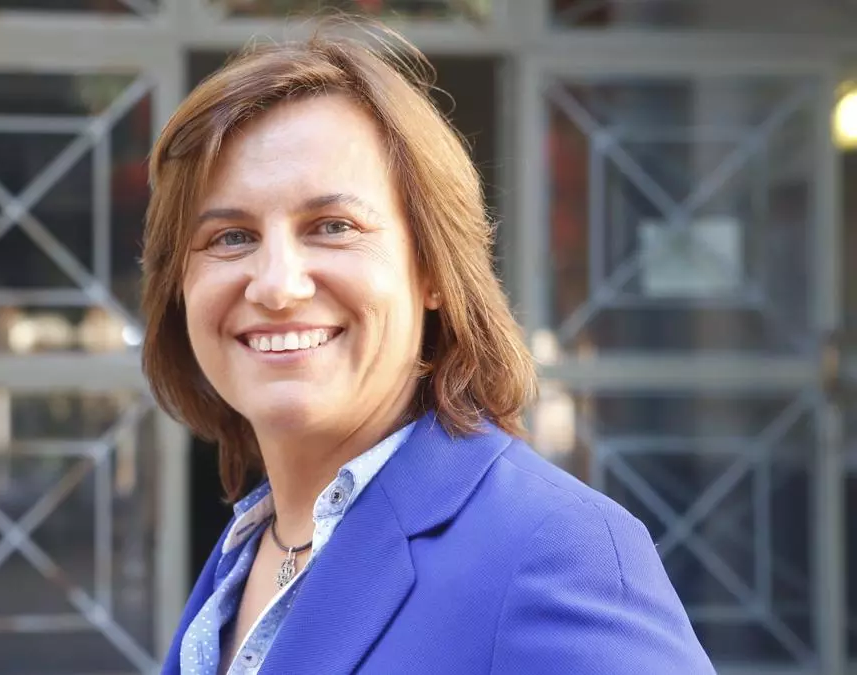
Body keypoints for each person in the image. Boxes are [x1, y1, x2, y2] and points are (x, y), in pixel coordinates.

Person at [140, 19, 715, 675]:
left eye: (332, 226)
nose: (276, 285)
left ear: (434, 270)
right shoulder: (248, 550)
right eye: (231, 237)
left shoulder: (555, 550)